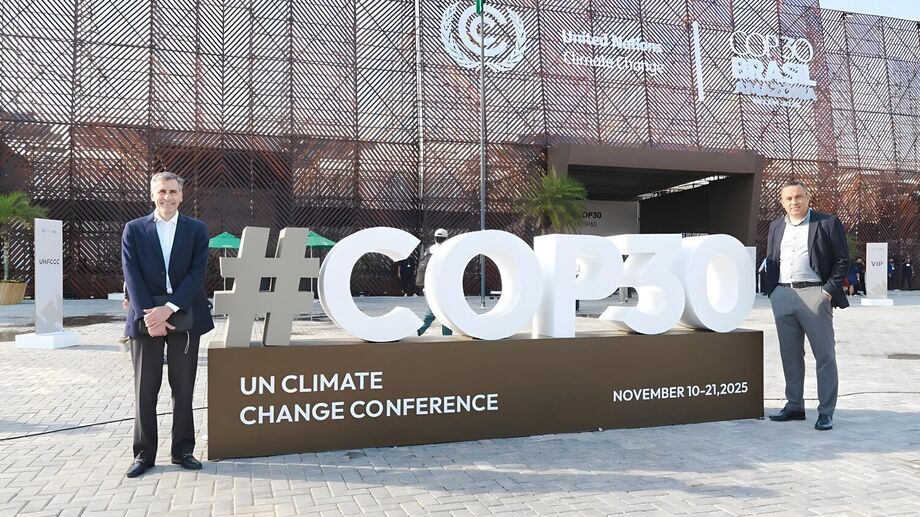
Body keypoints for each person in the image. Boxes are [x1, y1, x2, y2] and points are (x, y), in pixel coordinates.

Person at [122, 172, 214, 478]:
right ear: (152, 194)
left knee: (183, 387)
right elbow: (131, 275)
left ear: (181, 196)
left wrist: (168, 309)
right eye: (162, 191)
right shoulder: (133, 230)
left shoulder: (197, 230)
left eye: (173, 191)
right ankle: (144, 454)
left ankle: (182, 450)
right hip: (145, 318)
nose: (167, 197)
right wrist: (151, 315)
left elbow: (197, 273)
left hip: (184, 315)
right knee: (145, 389)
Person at [763, 180, 848, 431]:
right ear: (782, 202)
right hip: (783, 294)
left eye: (798, 197)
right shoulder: (776, 226)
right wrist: (773, 291)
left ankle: (825, 412)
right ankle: (794, 406)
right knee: (790, 355)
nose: (794, 202)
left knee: (824, 355)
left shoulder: (826, 223)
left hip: (814, 294)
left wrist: (827, 293)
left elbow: (842, 260)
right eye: (788, 199)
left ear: (808, 197)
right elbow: (771, 259)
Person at [416, 228, 452, 336]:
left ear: (434, 238)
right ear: (446, 238)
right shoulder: (448, 250)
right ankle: (420, 330)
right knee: (442, 312)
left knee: (435, 311)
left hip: (428, 286)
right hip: (442, 287)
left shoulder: (429, 250)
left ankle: (420, 330)